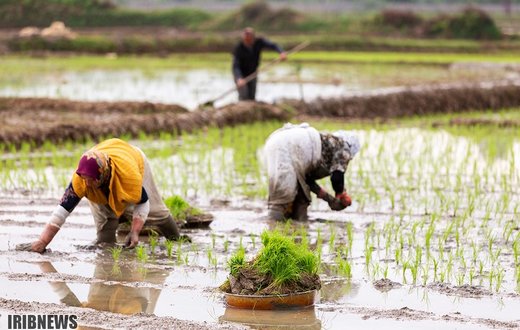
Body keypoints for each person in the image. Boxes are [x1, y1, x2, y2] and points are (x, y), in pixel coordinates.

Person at [28, 138, 182, 253]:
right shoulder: (81, 179)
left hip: (133, 159)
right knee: (105, 235)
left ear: (103, 175)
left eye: (91, 180)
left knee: (157, 214)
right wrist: (42, 241)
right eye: (84, 180)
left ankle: (177, 239)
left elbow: (143, 203)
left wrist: (135, 231)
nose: (87, 184)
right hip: (101, 170)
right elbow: (62, 211)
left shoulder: (129, 177)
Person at [264, 123, 360, 221]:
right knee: (281, 200)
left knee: (301, 195)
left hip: (276, 140)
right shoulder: (343, 146)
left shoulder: (325, 146)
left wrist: (329, 199)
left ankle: (297, 228)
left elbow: (307, 181)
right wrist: (340, 193)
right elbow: (337, 177)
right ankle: (273, 228)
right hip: (290, 145)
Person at [232, 27, 287, 101]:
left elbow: (273, 45)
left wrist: (281, 52)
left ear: (253, 38)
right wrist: (239, 78)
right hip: (241, 74)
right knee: (244, 95)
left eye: (249, 39)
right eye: (246, 39)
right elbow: (236, 65)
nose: (248, 42)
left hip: (253, 72)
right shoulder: (239, 48)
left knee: (252, 95)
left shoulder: (259, 42)